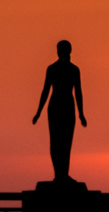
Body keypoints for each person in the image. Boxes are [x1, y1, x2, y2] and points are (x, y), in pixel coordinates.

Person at [33, 40, 87, 181]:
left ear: (68, 51)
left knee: (66, 142)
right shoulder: (52, 69)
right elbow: (45, 91)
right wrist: (38, 112)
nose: (59, 52)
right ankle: (59, 175)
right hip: (56, 107)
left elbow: (78, 92)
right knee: (56, 141)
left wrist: (81, 113)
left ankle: (63, 174)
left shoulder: (74, 70)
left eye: (61, 49)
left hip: (68, 107)